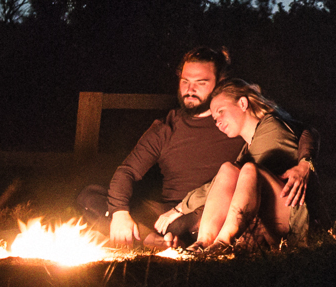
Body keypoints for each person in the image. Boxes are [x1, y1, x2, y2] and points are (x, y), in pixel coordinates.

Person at [75, 47, 315, 246]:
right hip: (170, 210)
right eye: (185, 81)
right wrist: (119, 212)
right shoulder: (166, 127)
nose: (190, 90)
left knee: (203, 208)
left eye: (201, 82)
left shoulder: (234, 119)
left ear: (220, 83)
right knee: (90, 196)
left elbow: (302, 130)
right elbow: (127, 171)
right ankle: (153, 240)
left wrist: (305, 162)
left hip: (214, 207)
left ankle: (162, 238)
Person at [153, 77, 312, 247]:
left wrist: (180, 209)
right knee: (228, 169)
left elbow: (239, 183)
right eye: (214, 118)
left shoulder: (271, 127)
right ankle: (203, 243)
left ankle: (223, 242)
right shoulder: (247, 148)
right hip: (274, 218)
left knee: (248, 170)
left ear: (242, 104)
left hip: (296, 217)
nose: (217, 122)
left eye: (221, 111)